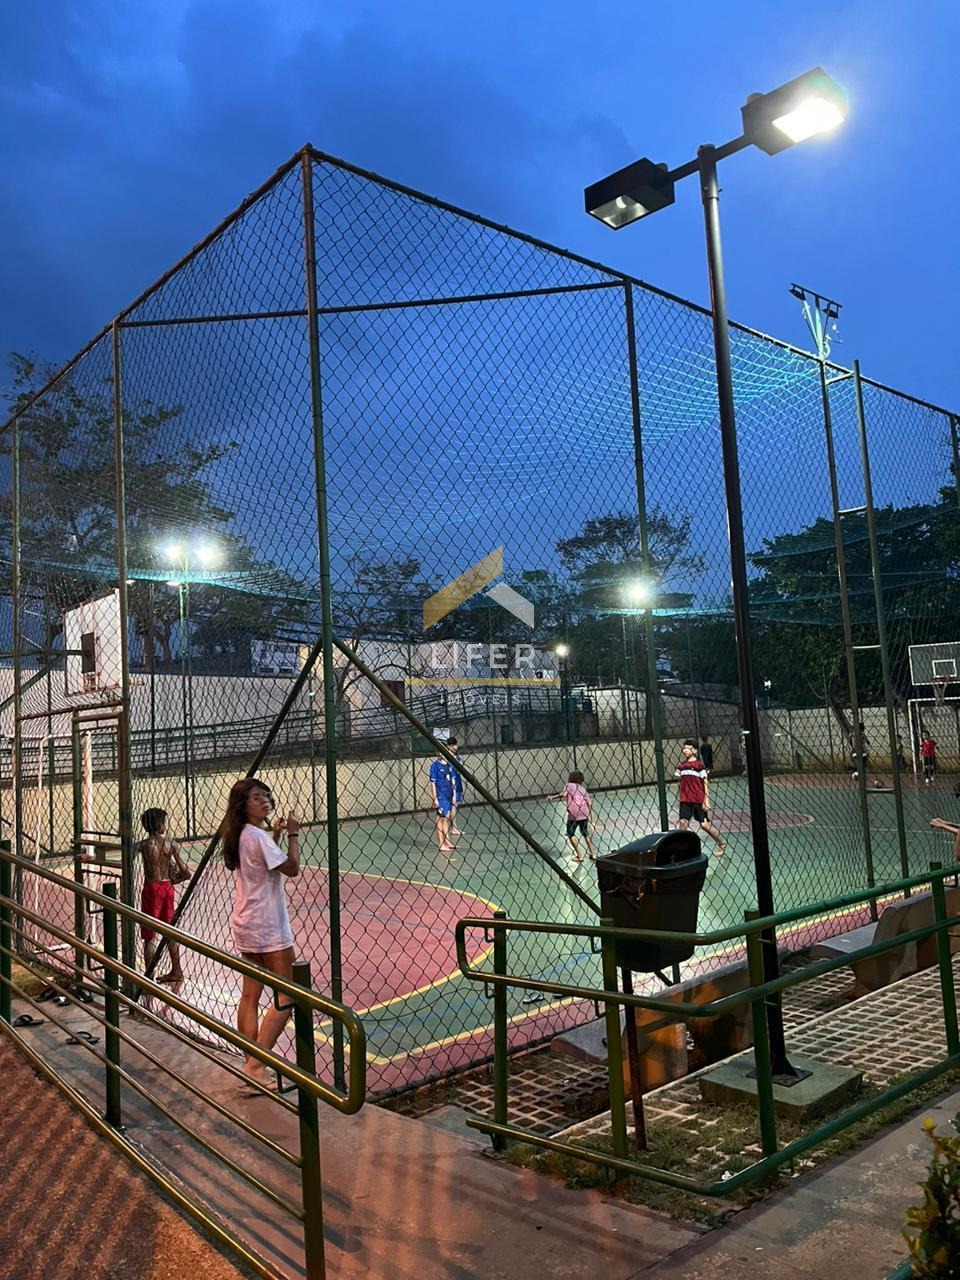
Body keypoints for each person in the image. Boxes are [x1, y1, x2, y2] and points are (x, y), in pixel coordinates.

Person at [221, 777, 301, 1089]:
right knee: (287, 997)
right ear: (244, 805)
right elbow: (291, 867)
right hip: (268, 924)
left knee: (249, 995)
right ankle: (256, 1066)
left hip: (246, 921)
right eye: (256, 797)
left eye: (266, 795)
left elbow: (261, 862)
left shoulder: (240, 833)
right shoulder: (257, 837)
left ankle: (250, 1062)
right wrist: (292, 833)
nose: (265, 800)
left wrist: (276, 834)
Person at [136, 808, 190, 983]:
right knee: (169, 931)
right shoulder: (171, 844)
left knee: (149, 936)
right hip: (167, 887)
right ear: (160, 825)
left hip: (152, 888)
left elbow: (127, 859)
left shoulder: (143, 845)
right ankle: (177, 970)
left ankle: (149, 976)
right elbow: (186, 872)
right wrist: (175, 880)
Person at [675, 740, 726, 855]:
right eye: (684, 748)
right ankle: (680, 850)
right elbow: (679, 782)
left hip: (698, 799)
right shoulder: (681, 766)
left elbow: (705, 782)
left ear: (694, 750)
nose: (685, 750)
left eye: (687, 748)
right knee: (683, 823)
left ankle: (721, 843)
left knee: (704, 825)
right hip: (685, 800)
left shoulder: (699, 765)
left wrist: (706, 799)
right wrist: (680, 796)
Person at [550, 770, 596, 862]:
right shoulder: (583, 789)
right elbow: (589, 805)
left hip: (573, 814)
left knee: (570, 833)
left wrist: (553, 797)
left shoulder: (569, 785)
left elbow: (563, 794)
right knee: (585, 833)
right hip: (583, 813)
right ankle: (593, 853)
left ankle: (580, 855)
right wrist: (593, 821)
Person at [429, 747, 456, 852]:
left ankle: (447, 841)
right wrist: (435, 798)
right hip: (441, 796)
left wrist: (453, 794)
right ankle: (441, 844)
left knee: (446, 818)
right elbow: (432, 783)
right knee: (440, 818)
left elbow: (452, 781)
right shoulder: (435, 765)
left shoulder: (449, 765)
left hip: (449, 795)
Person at [447, 736, 465, 836]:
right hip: (450, 783)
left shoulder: (457, 756)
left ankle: (453, 827)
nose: (455, 747)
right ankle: (453, 827)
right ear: (449, 746)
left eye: (456, 745)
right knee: (453, 804)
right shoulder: (447, 757)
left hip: (457, 782)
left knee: (455, 804)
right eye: (453, 745)